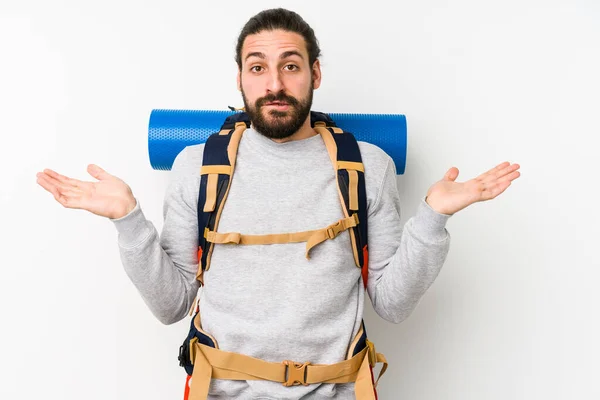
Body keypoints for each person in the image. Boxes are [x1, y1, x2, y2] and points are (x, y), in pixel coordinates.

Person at [36, 8, 521, 400]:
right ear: (241, 80)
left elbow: (392, 304)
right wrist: (128, 221)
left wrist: (433, 218)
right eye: (258, 67)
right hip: (221, 391)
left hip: (340, 390)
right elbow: (172, 305)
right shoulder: (197, 166)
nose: (274, 84)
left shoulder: (365, 165)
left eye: (290, 65)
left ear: (314, 73)